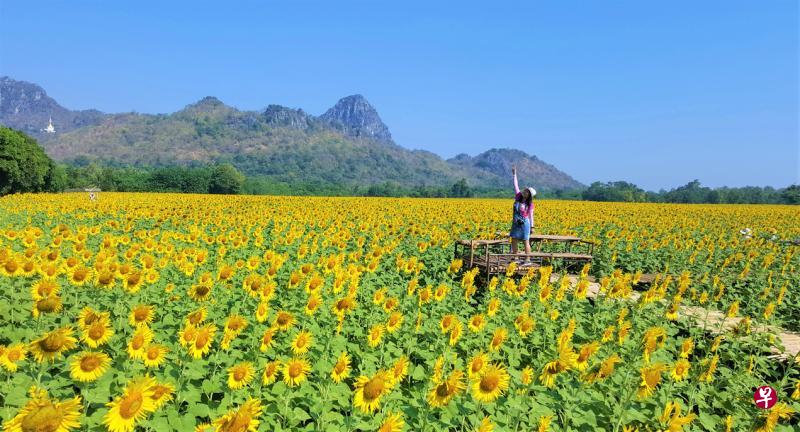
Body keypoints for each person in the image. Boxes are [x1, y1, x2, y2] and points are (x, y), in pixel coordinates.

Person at [510, 166, 536, 254]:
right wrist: (514, 174)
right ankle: (515, 258)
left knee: (526, 241)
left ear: (529, 196)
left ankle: (527, 260)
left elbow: (531, 216)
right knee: (514, 240)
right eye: (526, 190)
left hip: (525, 223)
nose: (525, 192)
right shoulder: (518, 196)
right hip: (516, 222)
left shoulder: (530, 204)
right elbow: (515, 185)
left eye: (527, 192)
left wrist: (532, 227)